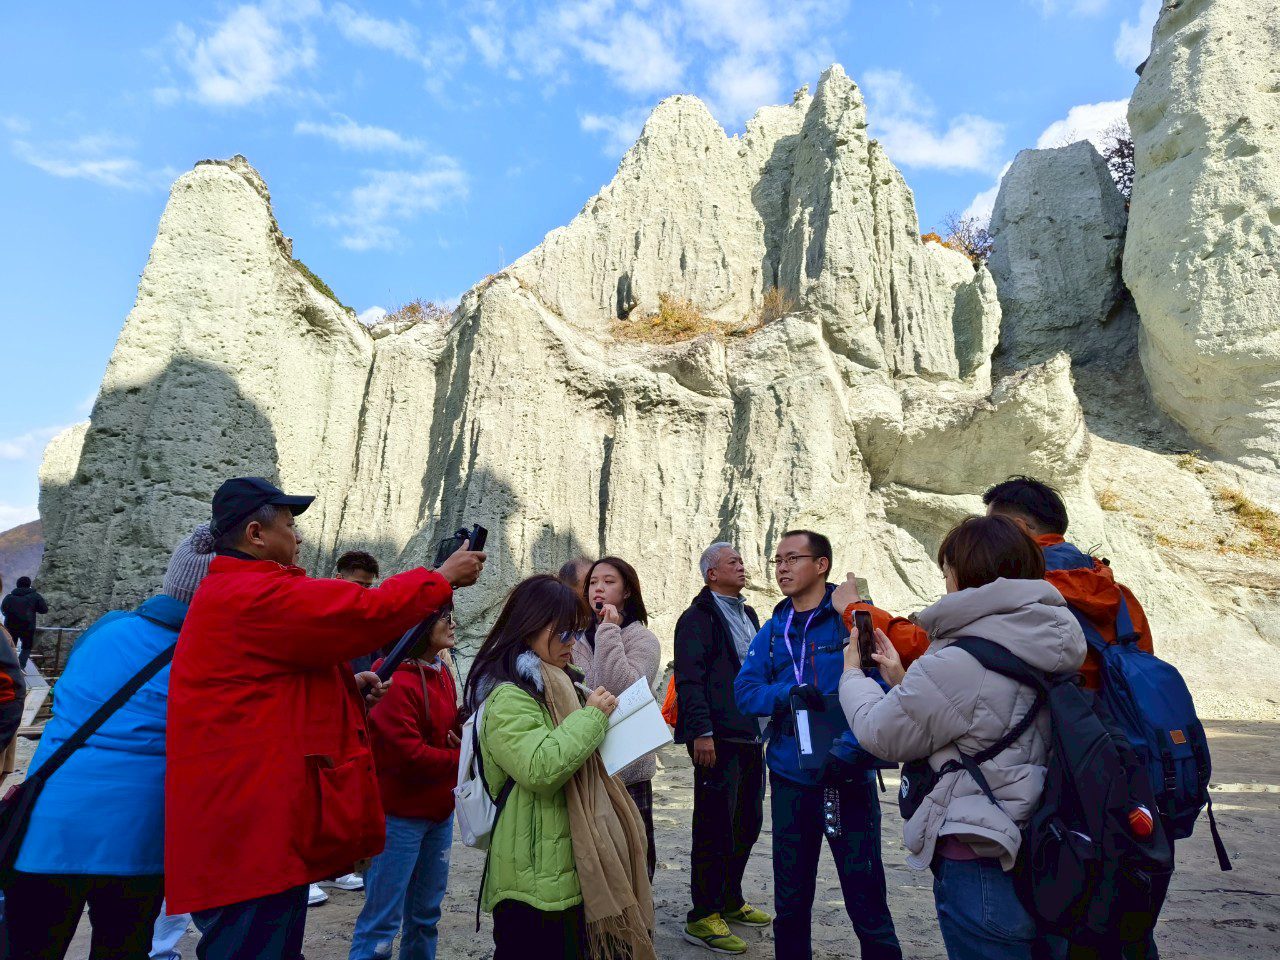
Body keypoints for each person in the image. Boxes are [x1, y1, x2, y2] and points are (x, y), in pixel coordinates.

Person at [164, 477, 485, 960]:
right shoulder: (252, 593)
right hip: (251, 834)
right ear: (255, 533)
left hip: (258, 825)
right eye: (290, 525)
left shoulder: (240, 592)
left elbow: (273, 692)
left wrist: (347, 691)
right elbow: (363, 614)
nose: (299, 536)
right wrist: (441, 577)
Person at [838, 514, 1087, 960]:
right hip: (1047, 843)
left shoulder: (961, 658)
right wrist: (903, 679)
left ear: (965, 574)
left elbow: (881, 734)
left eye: (948, 570)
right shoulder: (1053, 637)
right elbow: (982, 719)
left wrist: (852, 674)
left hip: (982, 850)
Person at [5, 524, 215, 960]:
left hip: (50, 825)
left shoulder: (107, 628)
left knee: (28, 946)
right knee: (123, 946)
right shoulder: (211, 655)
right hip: (137, 837)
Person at [735, 530, 927, 960]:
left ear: (821, 565)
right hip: (789, 776)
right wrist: (787, 693)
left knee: (866, 898)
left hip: (848, 775)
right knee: (790, 900)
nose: (781, 568)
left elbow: (885, 686)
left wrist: (849, 744)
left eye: (792, 558)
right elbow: (745, 691)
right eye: (777, 560)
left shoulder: (853, 623)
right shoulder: (771, 630)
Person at [465, 575, 656, 960]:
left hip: (563, 866)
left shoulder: (561, 686)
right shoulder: (508, 696)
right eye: (565, 631)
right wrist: (592, 719)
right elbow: (540, 769)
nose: (572, 642)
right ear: (531, 626)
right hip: (532, 877)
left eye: (577, 631)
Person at [673, 542, 770, 954]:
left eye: (741, 561)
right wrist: (701, 732)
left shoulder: (748, 613)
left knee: (747, 821)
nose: (742, 566)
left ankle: (730, 900)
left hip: (751, 738)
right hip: (718, 740)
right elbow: (690, 679)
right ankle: (703, 914)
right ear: (712, 574)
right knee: (713, 826)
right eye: (733, 562)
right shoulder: (697, 618)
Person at [349, 605, 460, 960]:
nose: (453, 622)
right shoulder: (391, 679)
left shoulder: (442, 672)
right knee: (381, 923)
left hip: (438, 814)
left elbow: (446, 733)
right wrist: (466, 759)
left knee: (425, 917)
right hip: (396, 819)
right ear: (418, 627)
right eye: (444, 616)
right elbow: (409, 756)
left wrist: (460, 737)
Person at [576, 556, 662, 879]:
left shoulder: (643, 640)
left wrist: (609, 631)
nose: (598, 588)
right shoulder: (574, 638)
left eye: (609, 582)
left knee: (634, 862)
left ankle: (638, 930)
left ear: (627, 591)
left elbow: (618, 690)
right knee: (593, 865)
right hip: (586, 765)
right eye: (593, 583)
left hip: (629, 773)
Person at [308, 549, 385, 906]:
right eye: (358, 584)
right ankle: (309, 869)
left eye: (369, 587)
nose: (364, 592)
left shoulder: (363, 622)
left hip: (355, 715)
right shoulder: (322, 616)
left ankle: (337, 867)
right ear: (339, 578)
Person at [2, 574, 49, 670]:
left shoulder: (9, 597)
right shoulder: (35, 596)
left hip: (11, 626)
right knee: (26, 647)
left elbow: (3, 609)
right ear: (29, 585)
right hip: (28, 627)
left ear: (17, 585)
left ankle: (11, 666)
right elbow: (44, 610)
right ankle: (21, 666)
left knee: (10, 646)